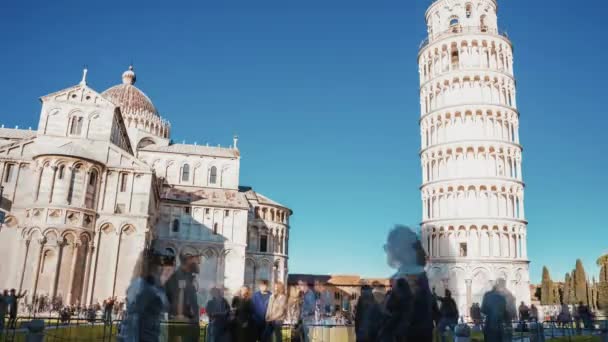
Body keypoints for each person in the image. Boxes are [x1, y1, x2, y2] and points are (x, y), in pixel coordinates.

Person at [380, 225, 434, 342]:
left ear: (398, 249)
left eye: (387, 247)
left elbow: (393, 319)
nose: (386, 251)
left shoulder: (407, 281)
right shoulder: (418, 276)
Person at [117, 247, 172, 342]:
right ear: (151, 266)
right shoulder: (141, 287)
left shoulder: (153, 286)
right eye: (159, 264)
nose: (161, 268)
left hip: (151, 336)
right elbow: (133, 320)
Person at [165, 251, 201, 342]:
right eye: (197, 259)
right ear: (189, 259)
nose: (199, 262)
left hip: (190, 326)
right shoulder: (178, 277)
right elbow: (177, 308)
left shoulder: (188, 277)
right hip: (183, 328)